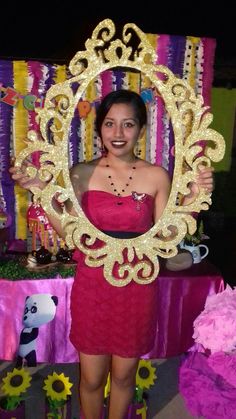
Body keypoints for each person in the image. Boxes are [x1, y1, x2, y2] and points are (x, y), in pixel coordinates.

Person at [10, 89, 214, 419]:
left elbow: (166, 236)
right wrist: (39, 189)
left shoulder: (157, 177)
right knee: (90, 379)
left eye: (128, 124)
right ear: (99, 128)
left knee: (123, 377)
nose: (118, 134)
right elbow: (69, 235)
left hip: (137, 285)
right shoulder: (80, 174)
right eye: (110, 124)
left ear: (141, 129)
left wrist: (192, 196)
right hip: (93, 283)